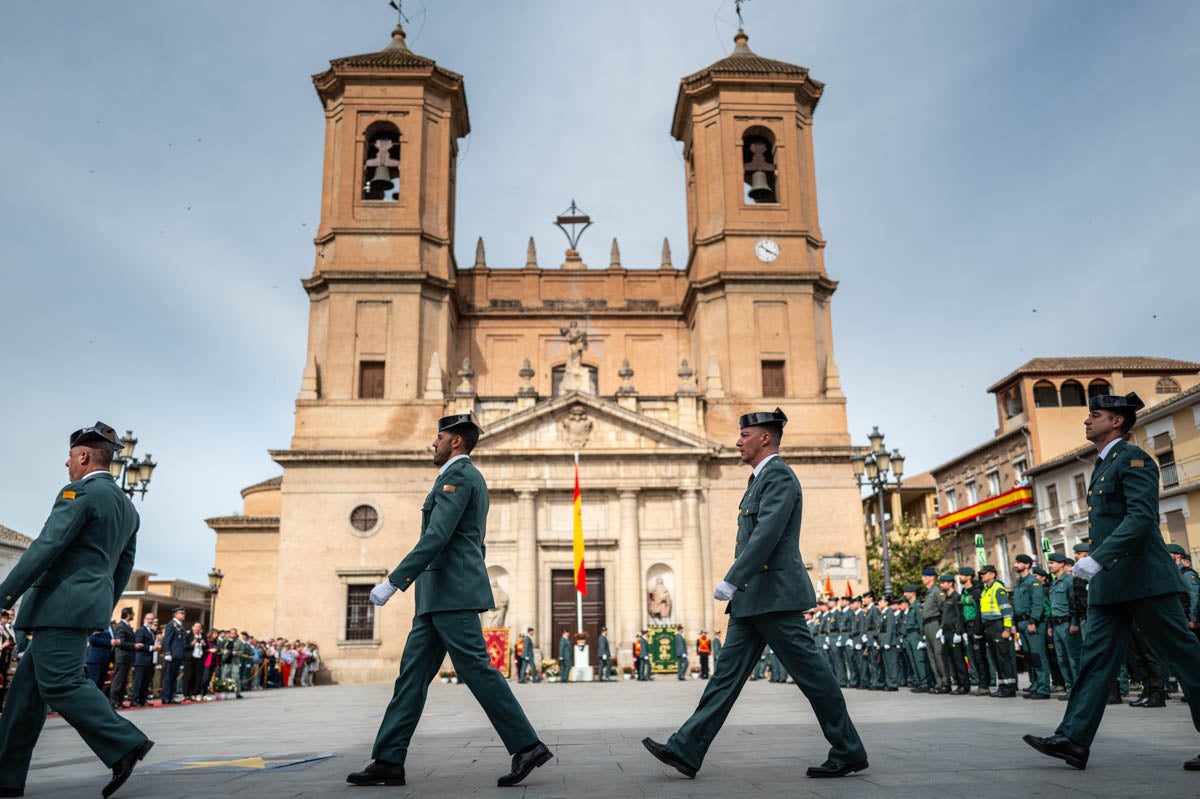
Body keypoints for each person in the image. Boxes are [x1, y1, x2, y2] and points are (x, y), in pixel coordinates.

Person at [642, 408, 867, 780]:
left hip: (774, 597)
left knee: (812, 676)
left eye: (744, 435)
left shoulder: (778, 476)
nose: (737, 442)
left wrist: (733, 579)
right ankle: (686, 747)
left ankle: (848, 750)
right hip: (753, 599)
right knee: (725, 678)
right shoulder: (758, 480)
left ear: (765, 438)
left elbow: (766, 534)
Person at [349, 413, 552, 788]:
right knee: (411, 678)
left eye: (439, 437)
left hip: (451, 593)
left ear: (456, 440)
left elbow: (437, 536)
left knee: (475, 669)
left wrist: (394, 581)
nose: (434, 442)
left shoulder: (460, 476)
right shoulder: (454, 478)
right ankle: (388, 759)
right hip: (438, 595)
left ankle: (527, 745)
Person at [1024, 392, 1200, 771]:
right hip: (1111, 585)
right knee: (1095, 661)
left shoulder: (1134, 460)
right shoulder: (1104, 465)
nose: (1087, 420)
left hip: (1144, 579)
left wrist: (1098, 558)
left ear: (1117, 421)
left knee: (1186, 658)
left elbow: (1140, 517)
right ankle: (1073, 739)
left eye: (1096, 414)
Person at [0, 422, 154, 798]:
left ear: (83, 456)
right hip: (83, 608)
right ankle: (6, 777)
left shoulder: (79, 493)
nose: (67, 464)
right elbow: (122, 568)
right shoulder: (127, 508)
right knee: (25, 698)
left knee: (62, 683)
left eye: (69, 457)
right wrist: (100, 608)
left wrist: (4, 596)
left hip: (59, 607)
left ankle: (125, 742)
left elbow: (46, 547)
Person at [1012, 555, 1050, 699]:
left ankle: (1043, 688)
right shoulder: (1019, 583)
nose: (1016, 565)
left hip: (1031, 623)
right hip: (1021, 623)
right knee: (1029, 656)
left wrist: (1033, 621)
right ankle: (1035, 684)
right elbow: (1016, 605)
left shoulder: (1033, 583)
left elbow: (1037, 603)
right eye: (1016, 562)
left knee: (1037, 655)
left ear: (1027, 565)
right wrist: (1014, 624)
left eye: (1019, 562)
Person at [1046, 553, 1081, 696]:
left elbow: (1074, 603)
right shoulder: (1054, 582)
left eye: (1052, 563)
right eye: (1049, 563)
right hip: (1056, 624)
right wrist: (1050, 626)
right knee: (1061, 658)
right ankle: (1069, 687)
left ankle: (1078, 688)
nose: (1049, 565)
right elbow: (1052, 606)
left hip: (1067, 624)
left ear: (1061, 564)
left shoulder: (1068, 581)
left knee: (1073, 658)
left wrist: (1074, 622)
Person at [938, 574, 970, 694]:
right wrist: (942, 629)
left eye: (943, 583)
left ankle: (964, 685)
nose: (941, 585)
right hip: (946, 632)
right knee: (951, 660)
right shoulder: (946, 598)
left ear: (950, 583)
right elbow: (945, 616)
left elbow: (959, 615)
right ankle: (958, 683)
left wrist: (958, 632)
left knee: (958, 660)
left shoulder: (956, 597)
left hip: (954, 632)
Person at [920, 569, 948, 693]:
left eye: (924, 576)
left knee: (938, 654)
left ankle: (945, 682)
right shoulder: (928, 593)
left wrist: (942, 627)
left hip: (935, 623)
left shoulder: (937, 591)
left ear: (931, 578)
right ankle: (938, 683)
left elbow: (944, 609)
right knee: (931, 655)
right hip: (927, 625)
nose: (922, 579)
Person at [159, 607, 186, 704]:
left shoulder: (179, 626)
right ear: (175, 614)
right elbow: (167, 640)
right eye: (181, 613)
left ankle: (171, 696)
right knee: (168, 677)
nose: (183, 615)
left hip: (177, 655)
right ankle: (165, 697)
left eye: (183, 613)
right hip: (172, 655)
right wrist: (167, 653)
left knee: (174, 677)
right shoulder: (171, 625)